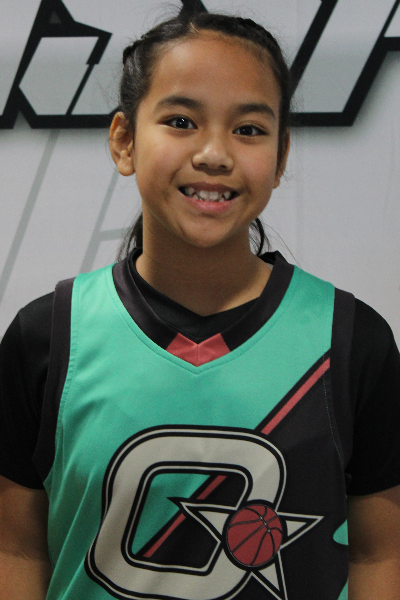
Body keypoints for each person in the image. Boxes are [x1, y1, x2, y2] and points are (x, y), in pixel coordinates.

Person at [1, 10, 400, 600]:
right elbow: (17, 548)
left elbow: (379, 552)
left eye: (249, 129)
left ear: (281, 156)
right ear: (124, 140)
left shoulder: (350, 341)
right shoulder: (49, 337)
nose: (215, 153)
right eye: (181, 121)